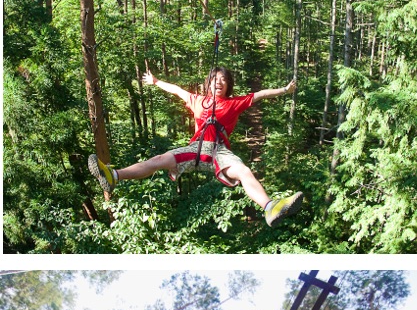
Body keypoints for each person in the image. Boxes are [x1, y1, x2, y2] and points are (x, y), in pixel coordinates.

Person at [88, 68, 303, 227]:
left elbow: (260, 94)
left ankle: (270, 208)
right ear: (208, 83)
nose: (219, 83)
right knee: (159, 160)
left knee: (244, 171)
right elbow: (176, 90)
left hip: (219, 152)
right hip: (196, 149)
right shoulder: (197, 100)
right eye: (215, 79)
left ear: (228, 85)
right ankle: (113, 175)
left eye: (224, 80)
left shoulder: (233, 103)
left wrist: (285, 89)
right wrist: (155, 81)